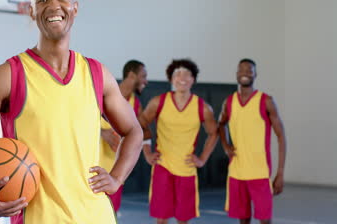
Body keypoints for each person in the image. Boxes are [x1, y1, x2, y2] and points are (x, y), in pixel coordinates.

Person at [0, 0, 143, 224]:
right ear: (31, 10)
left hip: (96, 216)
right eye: (42, 0)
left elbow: (133, 131)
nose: (53, 6)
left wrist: (117, 178)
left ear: (75, 8)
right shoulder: (8, 76)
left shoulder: (98, 74)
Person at [139, 59, 218, 224]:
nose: (182, 77)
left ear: (193, 79)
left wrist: (202, 159)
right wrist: (147, 152)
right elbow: (140, 125)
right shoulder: (157, 102)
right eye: (177, 74)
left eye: (187, 74)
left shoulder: (203, 107)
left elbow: (213, 133)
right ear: (171, 79)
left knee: (183, 219)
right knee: (161, 219)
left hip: (186, 169)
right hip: (163, 167)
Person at [218, 58, 287, 224]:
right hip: (237, 171)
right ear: (236, 74)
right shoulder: (229, 102)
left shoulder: (266, 101)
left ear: (255, 74)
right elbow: (221, 125)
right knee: (243, 219)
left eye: (249, 70)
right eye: (241, 70)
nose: (245, 73)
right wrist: (226, 145)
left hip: (260, 172)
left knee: (264, 219)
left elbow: (281, 137)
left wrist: (280, 173)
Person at [100, 59, 148, 213]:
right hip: (91, 172)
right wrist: (101, 133)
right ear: (132, 75)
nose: (146, 81)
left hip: (114, 173)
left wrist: (145, 149)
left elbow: (144, 132)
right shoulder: (102, 94)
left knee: (111, 216)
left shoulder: (135, 105)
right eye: (143, 76)